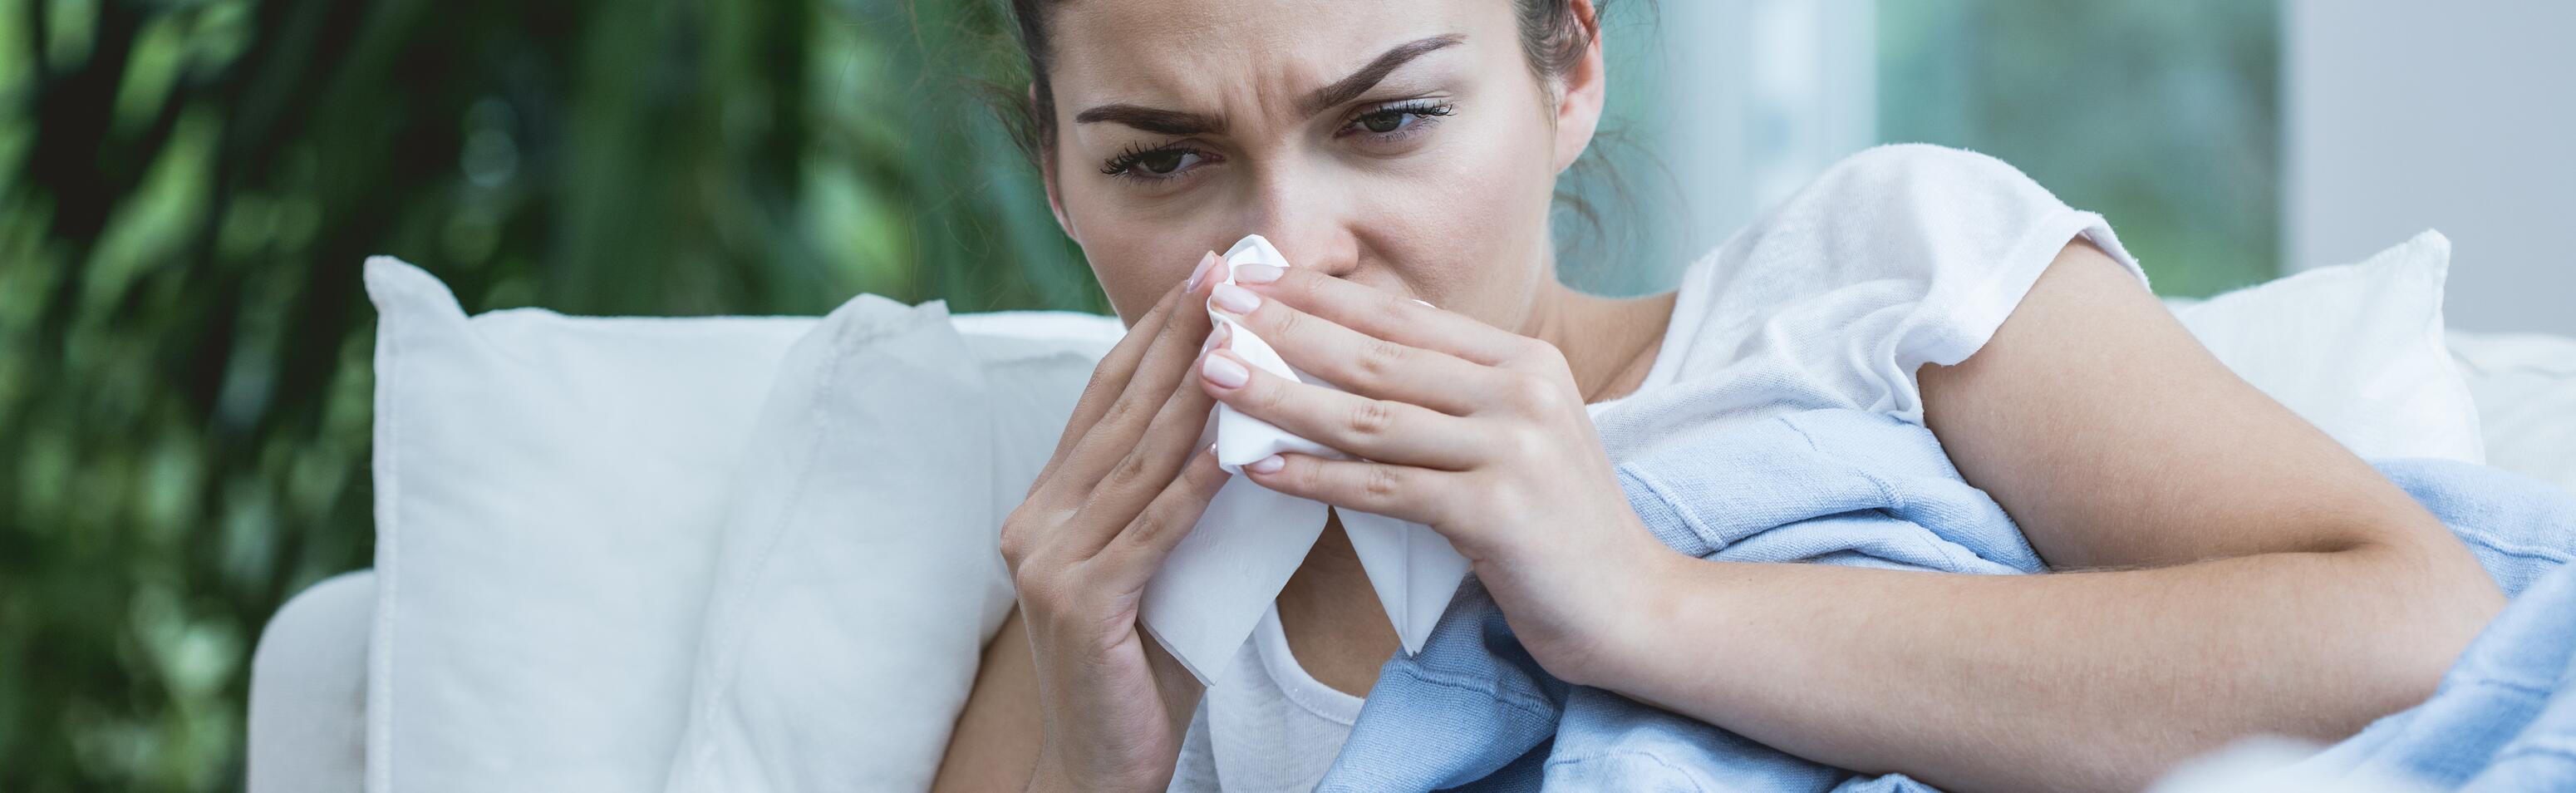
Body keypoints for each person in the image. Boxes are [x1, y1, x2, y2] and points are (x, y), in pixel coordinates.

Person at [930, 1, 2505, 791]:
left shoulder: (1869, 282)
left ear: (1572, 74)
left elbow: (2414, 629)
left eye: (1392, 118)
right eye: (1159, 159)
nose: (1292, 247)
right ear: (1061, 184)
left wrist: (1646, 605)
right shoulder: (1109, 578)